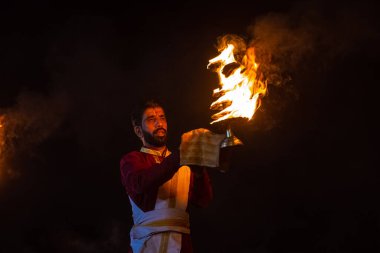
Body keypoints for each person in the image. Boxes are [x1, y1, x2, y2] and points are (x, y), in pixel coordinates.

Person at [120, 99, 218, 253]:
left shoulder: (182, 161)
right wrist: (181, 156)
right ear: (139, 131)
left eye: (162, 117)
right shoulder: (132, 160)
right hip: (147, 245)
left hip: (182, 246)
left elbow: (203, 200)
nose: (159, 123)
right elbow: (140, 184)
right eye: (152, 119)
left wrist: (199, 172)